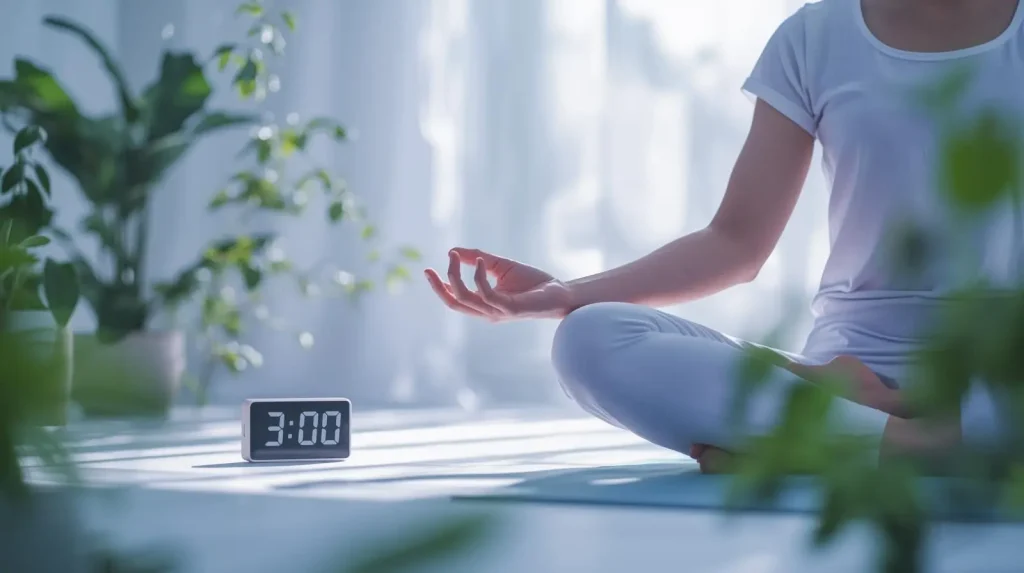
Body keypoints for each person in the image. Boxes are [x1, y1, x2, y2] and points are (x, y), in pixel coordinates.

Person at [425, 0, 1020, 473]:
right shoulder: (816, 35)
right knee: (590, 340)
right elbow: (735, 242)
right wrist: (566, 294)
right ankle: (924, 440)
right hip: (850, 371)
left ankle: (832, 445)